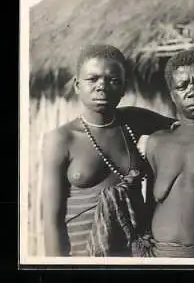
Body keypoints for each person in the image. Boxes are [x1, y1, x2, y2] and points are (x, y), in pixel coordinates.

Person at [42, 44, 176, 257]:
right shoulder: (61, 139)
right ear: (77, 85)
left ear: (123, 87)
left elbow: (185, 128)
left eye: (112, 80)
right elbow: (51, 221)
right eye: (92, 79)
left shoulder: (134, 121)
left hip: (133, 254)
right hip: (83, 257)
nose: (102, 86)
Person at [144, 48, 194, 258]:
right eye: (182, 86)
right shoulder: (157, 143)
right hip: (159, 256)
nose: (193, 91)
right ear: (172, 95)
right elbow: (147, 205)